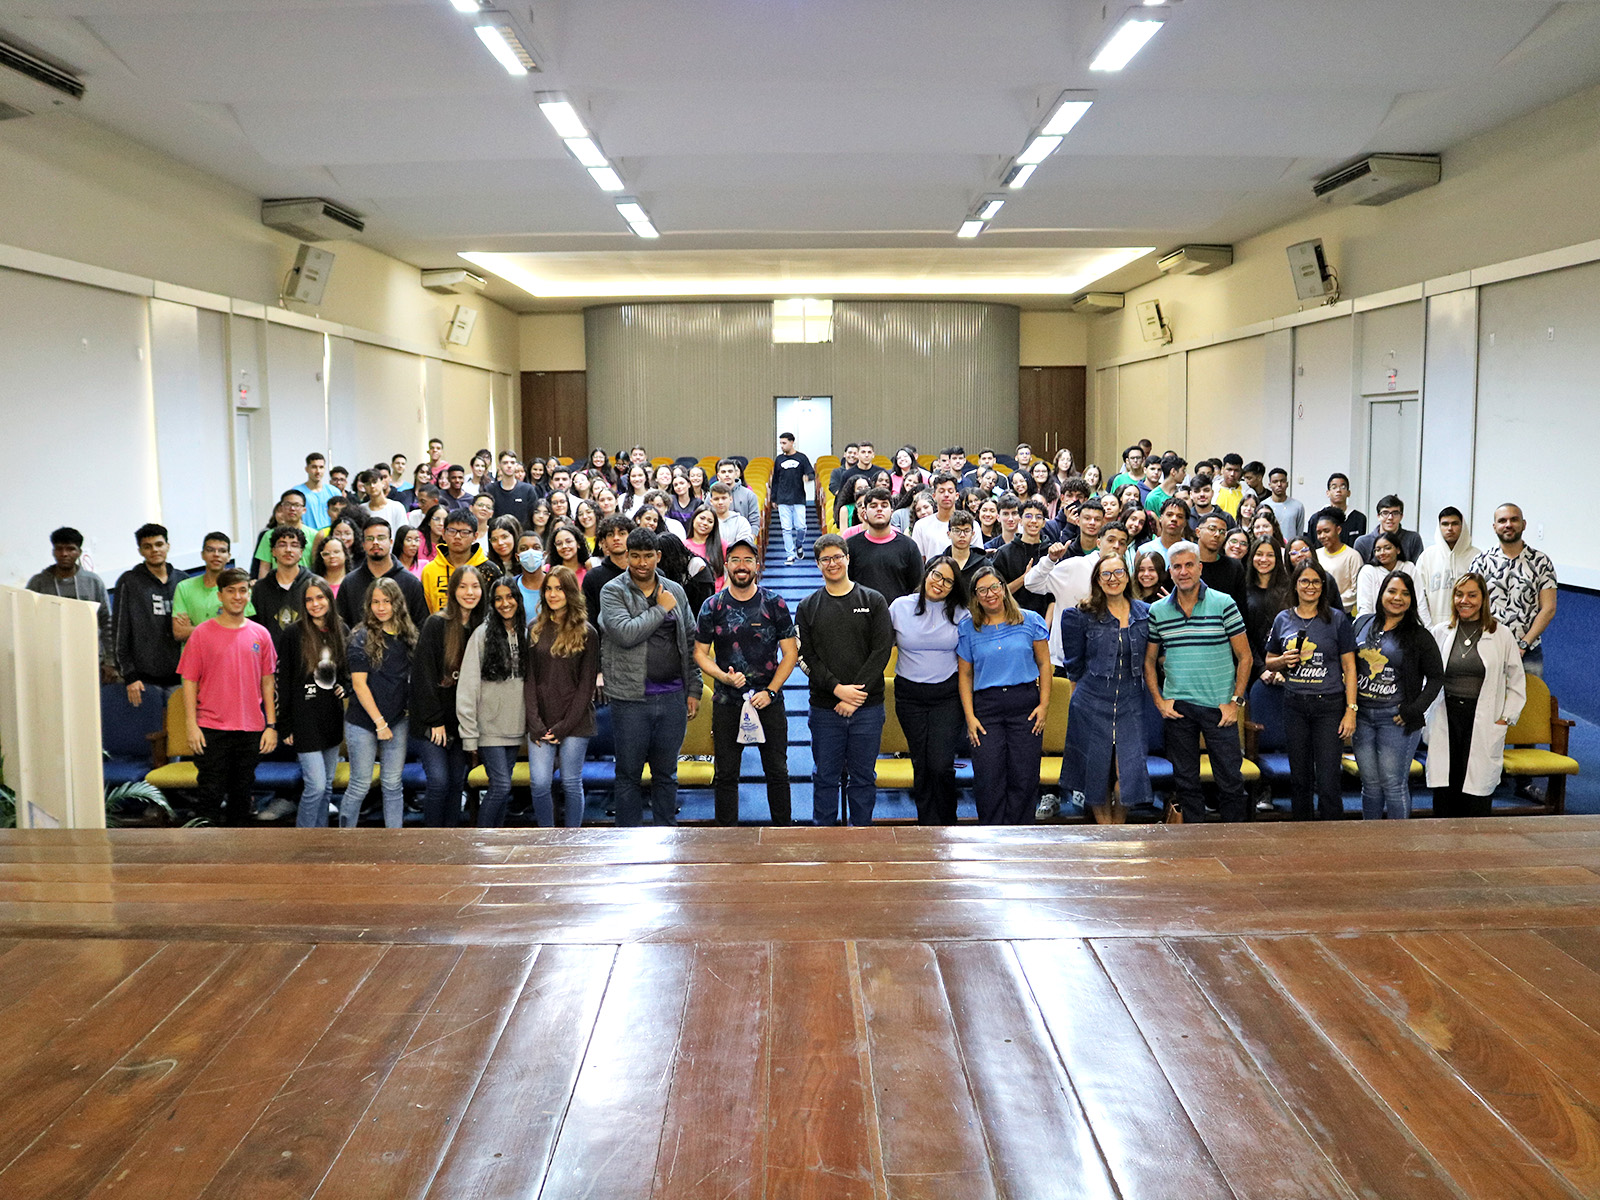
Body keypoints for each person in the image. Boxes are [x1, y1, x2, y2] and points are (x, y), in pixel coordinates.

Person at [600, 528, 702, 827]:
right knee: (629, 774)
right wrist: (660, 609)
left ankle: (667, 840)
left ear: (658, 556)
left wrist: (694, 688)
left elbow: (690, 640)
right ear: (626, 556)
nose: (642, 563)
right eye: (635, 556)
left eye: (648, 556)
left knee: (666, 774)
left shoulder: (675, 591)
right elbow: (626, 633)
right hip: (630, 699)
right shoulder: (612, 591)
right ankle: (627, 845)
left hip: (673, 696)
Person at [1144, 542, 1253, 823]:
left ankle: (1235, 846)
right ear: (1169, 572)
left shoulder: (1223, 602)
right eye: (1177, 567)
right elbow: (1149, 661)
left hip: (1220, 709)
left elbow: (1245, 657)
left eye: (1189, 565)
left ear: (1200, 567)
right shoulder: (1157, 611)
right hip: (1179, 708)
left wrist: (1235, 703)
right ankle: (1194, 846)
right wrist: (1159, 701)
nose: (1183, 572)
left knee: (1230, 781)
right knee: (1186, 783)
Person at [694, 537, 799, 826]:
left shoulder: (774, 602)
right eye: (736, 560)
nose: (742, 566)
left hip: (768, 700)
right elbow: (700, 654)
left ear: (757, 564)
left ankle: (783, 834)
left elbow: (790, 653)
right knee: (726, 774)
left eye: (748, 560)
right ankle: (727, 837)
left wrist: (772, 691)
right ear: (726, 565)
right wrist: (722, 676)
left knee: (777, 771)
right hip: (727, 701)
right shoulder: (711, 605)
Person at [798, 534, 894, 826]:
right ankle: (824, 839)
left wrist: (855, 696)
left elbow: (881, 651)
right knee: (825, 777)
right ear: (818, 564)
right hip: (827, 708)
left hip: (867, 708)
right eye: (825, 559)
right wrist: (838, 690)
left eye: (837, 557)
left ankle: (862, 836)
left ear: (848, 558)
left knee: (863, 777)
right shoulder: (807, 606)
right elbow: (808, 657)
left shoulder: (873, 600)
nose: (832, 563)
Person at [177, 567, 278, 826]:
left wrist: (271, 725)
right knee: (209, 794)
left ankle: (239, 861)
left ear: (249, 594)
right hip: (211, 728)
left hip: (251, 728)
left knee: (242, 796)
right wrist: (191, 725)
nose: (237, 596)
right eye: (231, 591)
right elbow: (189, 681)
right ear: (219, 596)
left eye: (243, 590)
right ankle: (205, 860)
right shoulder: (201, 634)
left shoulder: (261, 634)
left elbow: (268, 682)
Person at [1060, 553, 1152, 824]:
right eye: (1106, 574)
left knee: (1129, 773)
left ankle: (1119, 830)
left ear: (1128, 575)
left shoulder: (1146, 613)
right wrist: (1076, 701)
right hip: (1091, 702)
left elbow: (1154, 658)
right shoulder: (1080, 615)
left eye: (1119, 572)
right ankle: (1106, 834)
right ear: (1097, 580)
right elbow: (1074, 665)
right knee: (1095, 772)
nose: (1113, 579)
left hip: (1132, 700)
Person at [1426, 572, 1526, 818]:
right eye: (1459, 594)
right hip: (1446, 715)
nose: (1464, 600)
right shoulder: (1441, 632)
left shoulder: (1500, 635)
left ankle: (1476, 847)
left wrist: (1505, 718)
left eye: (1472, 595)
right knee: (1445, 786)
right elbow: (1428, 678)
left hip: (1482, 719)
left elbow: (1516, 681)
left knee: (1476, 790)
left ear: (1483, 599)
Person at [957, 565, 1051, 825]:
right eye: (982, 590)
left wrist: (1044, 705)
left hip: (1026, 705)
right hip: (986, 709)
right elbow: (965, 675)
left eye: (994, 587)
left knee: (1025, 774)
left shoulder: (1030, 620)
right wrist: (970, 717)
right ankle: (991, 836)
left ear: (1004, 588)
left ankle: (1021, 837)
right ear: (975, 596)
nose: (990, 594)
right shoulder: (968, 628)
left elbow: (1044, 665)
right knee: (989, 775)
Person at [1264, 563, 1358, 821]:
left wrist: (1351, 710)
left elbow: (1350, 668)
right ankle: (1301, 837)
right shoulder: (1283, 619)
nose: (1310, 587)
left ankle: (1332, 838)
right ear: (1295, 585)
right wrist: (1283, 660)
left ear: (1323, 587)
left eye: (1316, 582)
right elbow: (1269, 660)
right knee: (1299, 779)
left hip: (1329, 706)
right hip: (1294, 705)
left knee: (1328, 781)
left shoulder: (1337, 619)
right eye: (1305, 581)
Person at [1350, 570, 1443, 819]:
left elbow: (1436, 678)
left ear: (1412, 599)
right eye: (1392, 591)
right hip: (1361, 718)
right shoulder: (1361, 624)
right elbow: (1348, 665)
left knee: (1393, 785)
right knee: (1370, 786)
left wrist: (1414, 709)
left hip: (1396, 720)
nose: (1397, 598)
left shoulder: (1419, 635)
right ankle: (1372, 842)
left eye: (1405, 593)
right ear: (1382, 594)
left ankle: (1398, 846)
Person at [887, 557, 969, 825]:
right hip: (909, 696)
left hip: (947, 696)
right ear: (926, 573)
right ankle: (926, 825)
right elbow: (879, 644)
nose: (940, 584)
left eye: (948, 581)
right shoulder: (900, 606)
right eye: (936, 575)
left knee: (941, 764)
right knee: (921, 764)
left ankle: (947, 823)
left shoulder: (962, 613)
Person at [411, 564, 485, 827]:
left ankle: (451, 839)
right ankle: (431, 840)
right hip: (433, 722)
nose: (469, 592)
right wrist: (434, 721)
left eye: (475, 586)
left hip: (462, 724)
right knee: (439, 782)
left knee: (457, 783)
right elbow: (423, 677)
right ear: (453, 590)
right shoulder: (436, 624)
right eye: (463, 586)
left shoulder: (484, 627)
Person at [339, 577, 416, 828]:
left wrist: (392, 721)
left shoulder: (408, 634)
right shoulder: (360, 636)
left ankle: (395, 839)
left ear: (397, 603)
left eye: (386, 601)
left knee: (393, 784)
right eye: (375, 602)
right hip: (364, 721)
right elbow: (359, 685)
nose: (381, 607)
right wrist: (380, 723)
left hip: (397, 719)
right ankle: (343, 837)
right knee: (360, 783)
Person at [526, 566, 600, 828]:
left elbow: (586, 686)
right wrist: (534, 722)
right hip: (540, 720)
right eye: (548, 588)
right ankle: (547, 837)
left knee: (571, 782)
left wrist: (564, 726)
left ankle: (572, 839)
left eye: (559, 588)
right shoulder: (534, 628)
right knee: (539, 782)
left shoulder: (587, 632)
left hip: (575, 721)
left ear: (570, 592)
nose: (553, 594)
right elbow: (530, 679)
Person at [277, 577, 349, 828]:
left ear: (330, 599)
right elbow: (283, 682)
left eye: (320, 597)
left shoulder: (342, 629)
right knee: (316, 786)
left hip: (330, 717)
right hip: (304, 720)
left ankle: (321, 841)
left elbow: (348, 673)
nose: (315, 603)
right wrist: (284, 725)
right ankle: (304, 840)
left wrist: (345, 687)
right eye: (309, 599)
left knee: (327, 787)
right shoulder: (292, 634)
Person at [456, 577, 528, 827]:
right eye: (498, 598)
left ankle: (493, 842)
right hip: (489, 729)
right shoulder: (482, 635)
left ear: (518, 600)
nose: (504, 603)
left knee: (503, 788)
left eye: (509, 597)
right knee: (501, 785)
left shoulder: (527, 632)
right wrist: (469, 734)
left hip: (516, 726)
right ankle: (480, 840)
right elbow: (467, 687)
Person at [1470, 503, 1557, 679]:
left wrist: (1523, 645)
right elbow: (1471, 605)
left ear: (1523, 524)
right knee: (1486, 704)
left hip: (1528, 652)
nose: (1508, 524)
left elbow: (1548, 608)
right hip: (1487, 648)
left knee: (1529, 704)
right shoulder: (1481, 562)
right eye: (1502, 521)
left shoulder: (1541, 562)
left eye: (1514, 519)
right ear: (1494, 527)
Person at [113, 523, 186, 708]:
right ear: (140, 551)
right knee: (153, 734)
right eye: (148, 546)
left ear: (168, 546)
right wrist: (129, 675)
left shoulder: (183, 581)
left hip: (182, 678)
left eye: (159, 544)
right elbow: (120, 632)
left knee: (179, 735)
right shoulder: (129, 582)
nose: (154, 550)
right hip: (143, 681)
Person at [27, 526, 114, 675]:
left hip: (90, 659)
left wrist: (110, 661)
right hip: (50, 661)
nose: (64, 554)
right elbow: (28, 622)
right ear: (53, 552)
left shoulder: (93, 582)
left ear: (79, 552)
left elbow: (107, 622)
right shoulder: (38, 583)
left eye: (70, 549)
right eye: (59, 549)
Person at [337, 517, 428, 631]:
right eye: (370, 538)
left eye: (381, 538)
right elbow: (341, 626)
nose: (375, 542)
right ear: (364, 544)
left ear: (391, 542)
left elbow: (420, 625)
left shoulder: (411, 582)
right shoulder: (350, 583)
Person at [845, 487, 924, 605]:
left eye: (884, 505)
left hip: (898, 616)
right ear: (864, 512)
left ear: (891, 511)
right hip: (861, 615)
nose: (879, 509)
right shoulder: (851, 546)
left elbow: (917, 587)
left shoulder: (908, 546)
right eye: (873, 506)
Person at [173, 532, 255, 640]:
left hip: (229, 653)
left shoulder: (239, 588)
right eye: (210, 550)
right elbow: (179, 632)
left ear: (229, 557)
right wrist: (223, 626)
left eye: (222, 551)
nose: (216, 554)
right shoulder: (184, 587)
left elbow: (240, 631)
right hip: (195, 654)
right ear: (202, 554)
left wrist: (193, 629)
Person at [249, 525, 310, 650]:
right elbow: (253, 629)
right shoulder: (259, 589)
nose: (288, 550)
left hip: (307, 657)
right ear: (273, 551)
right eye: (282, 545)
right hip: (270, 660)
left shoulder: (314, 585)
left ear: (301, 552)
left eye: (294, 545)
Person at [1416, 507, 1478, 624]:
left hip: (1468, 625)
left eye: (1455, 524)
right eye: (1445, 524)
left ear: (1462, 526)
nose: (1450, 528)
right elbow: (1419, 596)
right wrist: (1427, 626)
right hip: (1433, 626)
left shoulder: (1476, 557)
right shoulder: (1427, 556)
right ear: (1439, 527)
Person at [1356, 531, 1432, 625]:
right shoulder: (1368, 571)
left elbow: (1420, 602)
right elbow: (1365, 607)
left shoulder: (1409, 568)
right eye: (1377, 549)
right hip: (1377, 625)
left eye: (1387, 548)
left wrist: (1427, 629)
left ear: (1398, 550)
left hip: (1407, 627)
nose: (1382, 553)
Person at [1242, 537, 1290, 684]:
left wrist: (1281, 668)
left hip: (1286, 668)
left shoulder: (1288, 590)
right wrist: (1261, 669)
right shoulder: (1243, 589)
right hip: (1252, 667)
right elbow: (1243, 634)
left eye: (1270, 555)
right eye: (1259, 554)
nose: (1264, 559)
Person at [994, 499, 1052, 621]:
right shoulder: (1004, 553)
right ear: (1020, 520)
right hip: (1011, 620)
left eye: (1039, 517)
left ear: (1044, 523)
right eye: (1028, 516)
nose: (1033, 521)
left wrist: (1046, 627)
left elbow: (1053, 596)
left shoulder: (1051, 553)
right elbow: (998, 592)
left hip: (1044, 621)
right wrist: (1025, 577)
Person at [421, 509, 486, 614]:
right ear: (443, 533)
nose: (457, 537)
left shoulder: (488, 569)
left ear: (475, 536)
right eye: (452, 531)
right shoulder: (430, 570)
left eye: (465, 532)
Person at [583, 514, 635, 630]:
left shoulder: (641, 573)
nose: (616, 538)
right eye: (610, 535)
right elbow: (591, 621)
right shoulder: (593, 577)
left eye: (622, 533)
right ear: (603, 542)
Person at [249, 490, 313, 579]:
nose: (292, 509)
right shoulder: (269, 535)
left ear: (304, 510)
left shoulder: (315, 535)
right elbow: (264, 568)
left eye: (297, 505)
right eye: (288, 504)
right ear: (281, 508)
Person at [1195, 512, 1248, 614]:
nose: (1217, 534)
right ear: (1198, 532)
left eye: (1222, 531)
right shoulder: (1186, 564)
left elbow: (1241, 608)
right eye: (1212, 529)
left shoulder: (1234, 567)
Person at [1353, 495, 1425, 565]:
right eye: (1385, 513)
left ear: (1401, 516)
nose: (1390, 517)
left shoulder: (1413, 539)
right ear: (1378, 516)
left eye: (1395, 513)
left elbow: (1417, 570)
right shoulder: (1363, 542)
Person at [1313, 510, 1362, 610]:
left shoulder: (1352, 556)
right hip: (1317, 611)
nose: (1322, 536)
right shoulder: (1316, 554)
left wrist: (1332, 604)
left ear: (1338, 530)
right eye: (1319, 532)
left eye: (1326, 531)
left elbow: (1355, 590)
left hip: (1343, 612)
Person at [912, 472, 960, 559]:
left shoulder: (971, 525)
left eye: (950, 491)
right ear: (934, 496)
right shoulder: (921, 526)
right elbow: (919, 561)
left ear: (956, 495)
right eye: (941, 491)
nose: (946, 495)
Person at [940, 510, 991, 588]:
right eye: (957, 530)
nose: (962, 535)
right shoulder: (938, 564)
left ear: (973, 534)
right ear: (949, 534)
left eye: (966, 531)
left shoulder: (984, 565)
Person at [349, 471, 407, 537]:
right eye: (368, 483)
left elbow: (403, 534)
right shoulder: (361, 509)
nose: (372, 486)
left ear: (382, 483)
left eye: (375, 482)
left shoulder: (397, 507)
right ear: (364, 487)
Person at [489, 450, 538, 528]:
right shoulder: (490, 489)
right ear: (499, 466)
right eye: (505, 463)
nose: (509, 465)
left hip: (522, 536)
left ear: (516, 465)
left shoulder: (528, 490)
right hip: (497, 534)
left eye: (512, 462)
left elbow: (533, 516)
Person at [716, 458, 762, 529]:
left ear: (736, 473)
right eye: (723, 472)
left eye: (730, 471)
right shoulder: (712, 496)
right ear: (718, 476)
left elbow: (755, 522)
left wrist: (750, 537)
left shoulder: (749, 494)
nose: (727, 474)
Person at [707, 481, 755, 549]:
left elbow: (743, 546)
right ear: (711, 501)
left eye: (724, 498)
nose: (720, 502)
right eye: (716, 499)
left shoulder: (741, 522)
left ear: (730, 499)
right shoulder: (706, 522)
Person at [1258, 467, 1304, 537]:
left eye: (1282, 481)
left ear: (1287, 484)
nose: (1279, 484)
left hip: (1290, 546)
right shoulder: (1263, 505)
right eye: (1275, 482)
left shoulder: (1297, 506)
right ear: (1269, 485)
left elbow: (1299, 533)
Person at [1323, 473, 1367, 541]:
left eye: (1343, 487)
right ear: (1328, 493)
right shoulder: (1317, 518)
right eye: (1334, 487)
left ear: (1348, 493)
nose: (1338, 490)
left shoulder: (1359, 519)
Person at [311, 529, 350, 596]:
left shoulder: (354, 581)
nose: (332, 556)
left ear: (345, 554)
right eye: (326, 554)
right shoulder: (314, 582)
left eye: (336, 552)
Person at [1211, 454, 1248, 518]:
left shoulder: (1247, 492)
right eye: (1229, 469)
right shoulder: (1213, 489)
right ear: (1222, 470)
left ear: (1241, 472)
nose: (1232, 474)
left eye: (1236, 470)